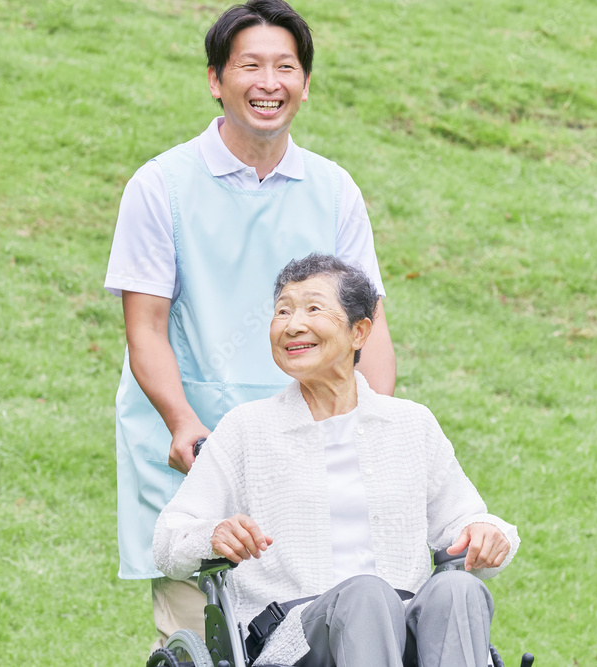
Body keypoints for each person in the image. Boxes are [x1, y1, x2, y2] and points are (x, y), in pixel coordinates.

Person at [103, 0, 396, 653]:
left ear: (306, 83)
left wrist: (382, 428)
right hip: (197, 452)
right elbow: (145, 328)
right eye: (251, 66)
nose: (270, 83)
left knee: (324, 631)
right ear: (216, 79)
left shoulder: (334, 190)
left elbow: (366, 328)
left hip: (311, 452)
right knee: (207, 638)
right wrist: (182, 422)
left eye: (285, 67)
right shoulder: (161, 186)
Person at [154, 254, 519, 667]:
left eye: (313, 308)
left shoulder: (411, 424)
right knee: (365, 593)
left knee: (460, 590)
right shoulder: (247, 429)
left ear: (359, 332)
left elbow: (464, 522)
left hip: (405, 631)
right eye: (282, 311)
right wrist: (213, 534)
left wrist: (486, 533)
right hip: (297, 638)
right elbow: (169, 539)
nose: (293, 325)